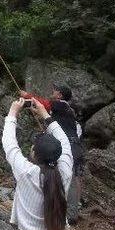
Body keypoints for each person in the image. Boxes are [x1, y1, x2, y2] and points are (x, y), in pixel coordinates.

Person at [2, 98, 78, 230]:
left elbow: (9, 143)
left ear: (34, 154)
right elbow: (64, 140)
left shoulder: (27, 172)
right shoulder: (65, 169)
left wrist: (13, 112)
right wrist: (45, 114)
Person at [20, 84, 85, 222]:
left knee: (60, 174)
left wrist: (26, 96)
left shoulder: (59, 105)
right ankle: (72, 213)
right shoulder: (69, 111)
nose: (52, 91)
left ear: (59, 95)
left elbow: (41, 104)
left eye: (55, 90)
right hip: (77, 147)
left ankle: (50, 207)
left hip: (66, 146)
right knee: (75, 178)